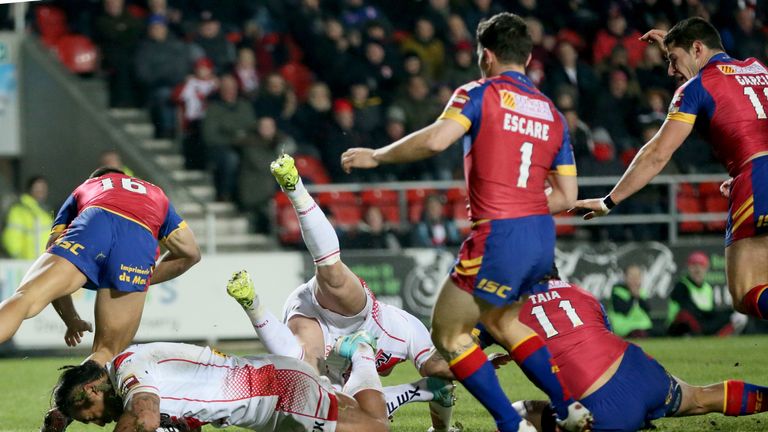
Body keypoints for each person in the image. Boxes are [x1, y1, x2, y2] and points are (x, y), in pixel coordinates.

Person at [341, 12, 588, 432]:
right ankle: (569, 407)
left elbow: (438, 139)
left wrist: (377, 155)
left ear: (486, 56)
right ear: (526, 58)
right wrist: (526, 206)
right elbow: (566, 196)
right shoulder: (552, 113)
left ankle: (511, 424)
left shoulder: (480, 93)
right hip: (541, 238)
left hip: (498, 234)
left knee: (449, 334)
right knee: (502, 322)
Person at [225, 154, 457, 431]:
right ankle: (295, 187)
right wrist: (475, 369)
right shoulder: (404, 330)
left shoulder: (356, 386)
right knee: (332, 273)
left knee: (307, 373)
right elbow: (436, 367)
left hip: (317, 333)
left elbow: (434, 372)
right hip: (357, 317)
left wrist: (475, 369)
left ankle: (253, 305)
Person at [572, 17, 768, 322]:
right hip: (755, 175)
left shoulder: (695, 88)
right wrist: (675, 44)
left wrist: (609, 200)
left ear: (697, 48)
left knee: (746, 293)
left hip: (757, 178)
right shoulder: (757, 68)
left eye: (673, 59)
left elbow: (656, 155)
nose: (670, 70)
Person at [479, 269, 768, 432]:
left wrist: (470, 360)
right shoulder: (582, 293)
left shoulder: (500, 310)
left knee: (522, 411)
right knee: (699, 397)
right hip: (637, 367)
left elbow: (449, 358)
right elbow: (599, 338)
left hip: (601, 405)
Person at [0, 168, 201, 367]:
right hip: (138, 238)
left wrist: (71, 318)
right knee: (107, 352)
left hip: (95, 221)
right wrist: (140, 278)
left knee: (25, 298)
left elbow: (54, 247)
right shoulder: (156, 194)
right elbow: (191, 252)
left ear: (99, 177)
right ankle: (74, 395)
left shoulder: (87, 186)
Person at [47, 337, 389, 431]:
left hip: (276, 392)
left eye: (86, 415)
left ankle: (360, 353)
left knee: (377, 431)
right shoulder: (127, 377)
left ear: (93, 390)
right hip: (269, 394)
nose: (93, 422)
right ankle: (361, 354)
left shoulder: (128, 369)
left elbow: (144, 419)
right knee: (372, 421)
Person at [668, 251, 735, 336]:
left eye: (701, 266)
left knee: (730, 316)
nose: (698, 270)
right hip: (679, 327)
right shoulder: (681, 286)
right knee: (685, 315)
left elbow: (711, 311)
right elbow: (689, 308)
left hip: (703, 320)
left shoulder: (708, 288)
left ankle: (712, 335)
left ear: (706, 269)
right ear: (688, 268)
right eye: (694, 266)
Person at [2, 176, 53, 260]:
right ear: (30, 189)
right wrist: (19, 257)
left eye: (43, 188)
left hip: (42, 262)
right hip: (26, 263)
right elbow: (11, 239)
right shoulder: (19, 210)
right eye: (37, 188)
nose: (40, 191)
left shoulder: (46, 212)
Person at [607, 264, 653, 338]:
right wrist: (633, 296)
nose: (635, 279)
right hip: (625, 329)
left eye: (637, 276)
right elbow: (624, 310)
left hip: (643, 327)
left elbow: (648, 309)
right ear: (625, 277)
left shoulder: (642, 292)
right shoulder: (617, 291)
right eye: (631, 276)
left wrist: (638, 297)